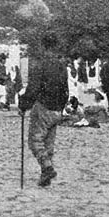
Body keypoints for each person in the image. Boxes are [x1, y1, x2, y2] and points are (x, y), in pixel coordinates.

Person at [18, 34, 69, 188]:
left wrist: (23, 105)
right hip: (57, 109)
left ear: (43, 46)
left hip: (43, 107)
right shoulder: (62, 66)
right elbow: (65, 89)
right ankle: (44, 175)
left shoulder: (40, 65)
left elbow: (33, 89)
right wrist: (61, 107)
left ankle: (47, 168)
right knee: (49, 144)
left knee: (35, 141)